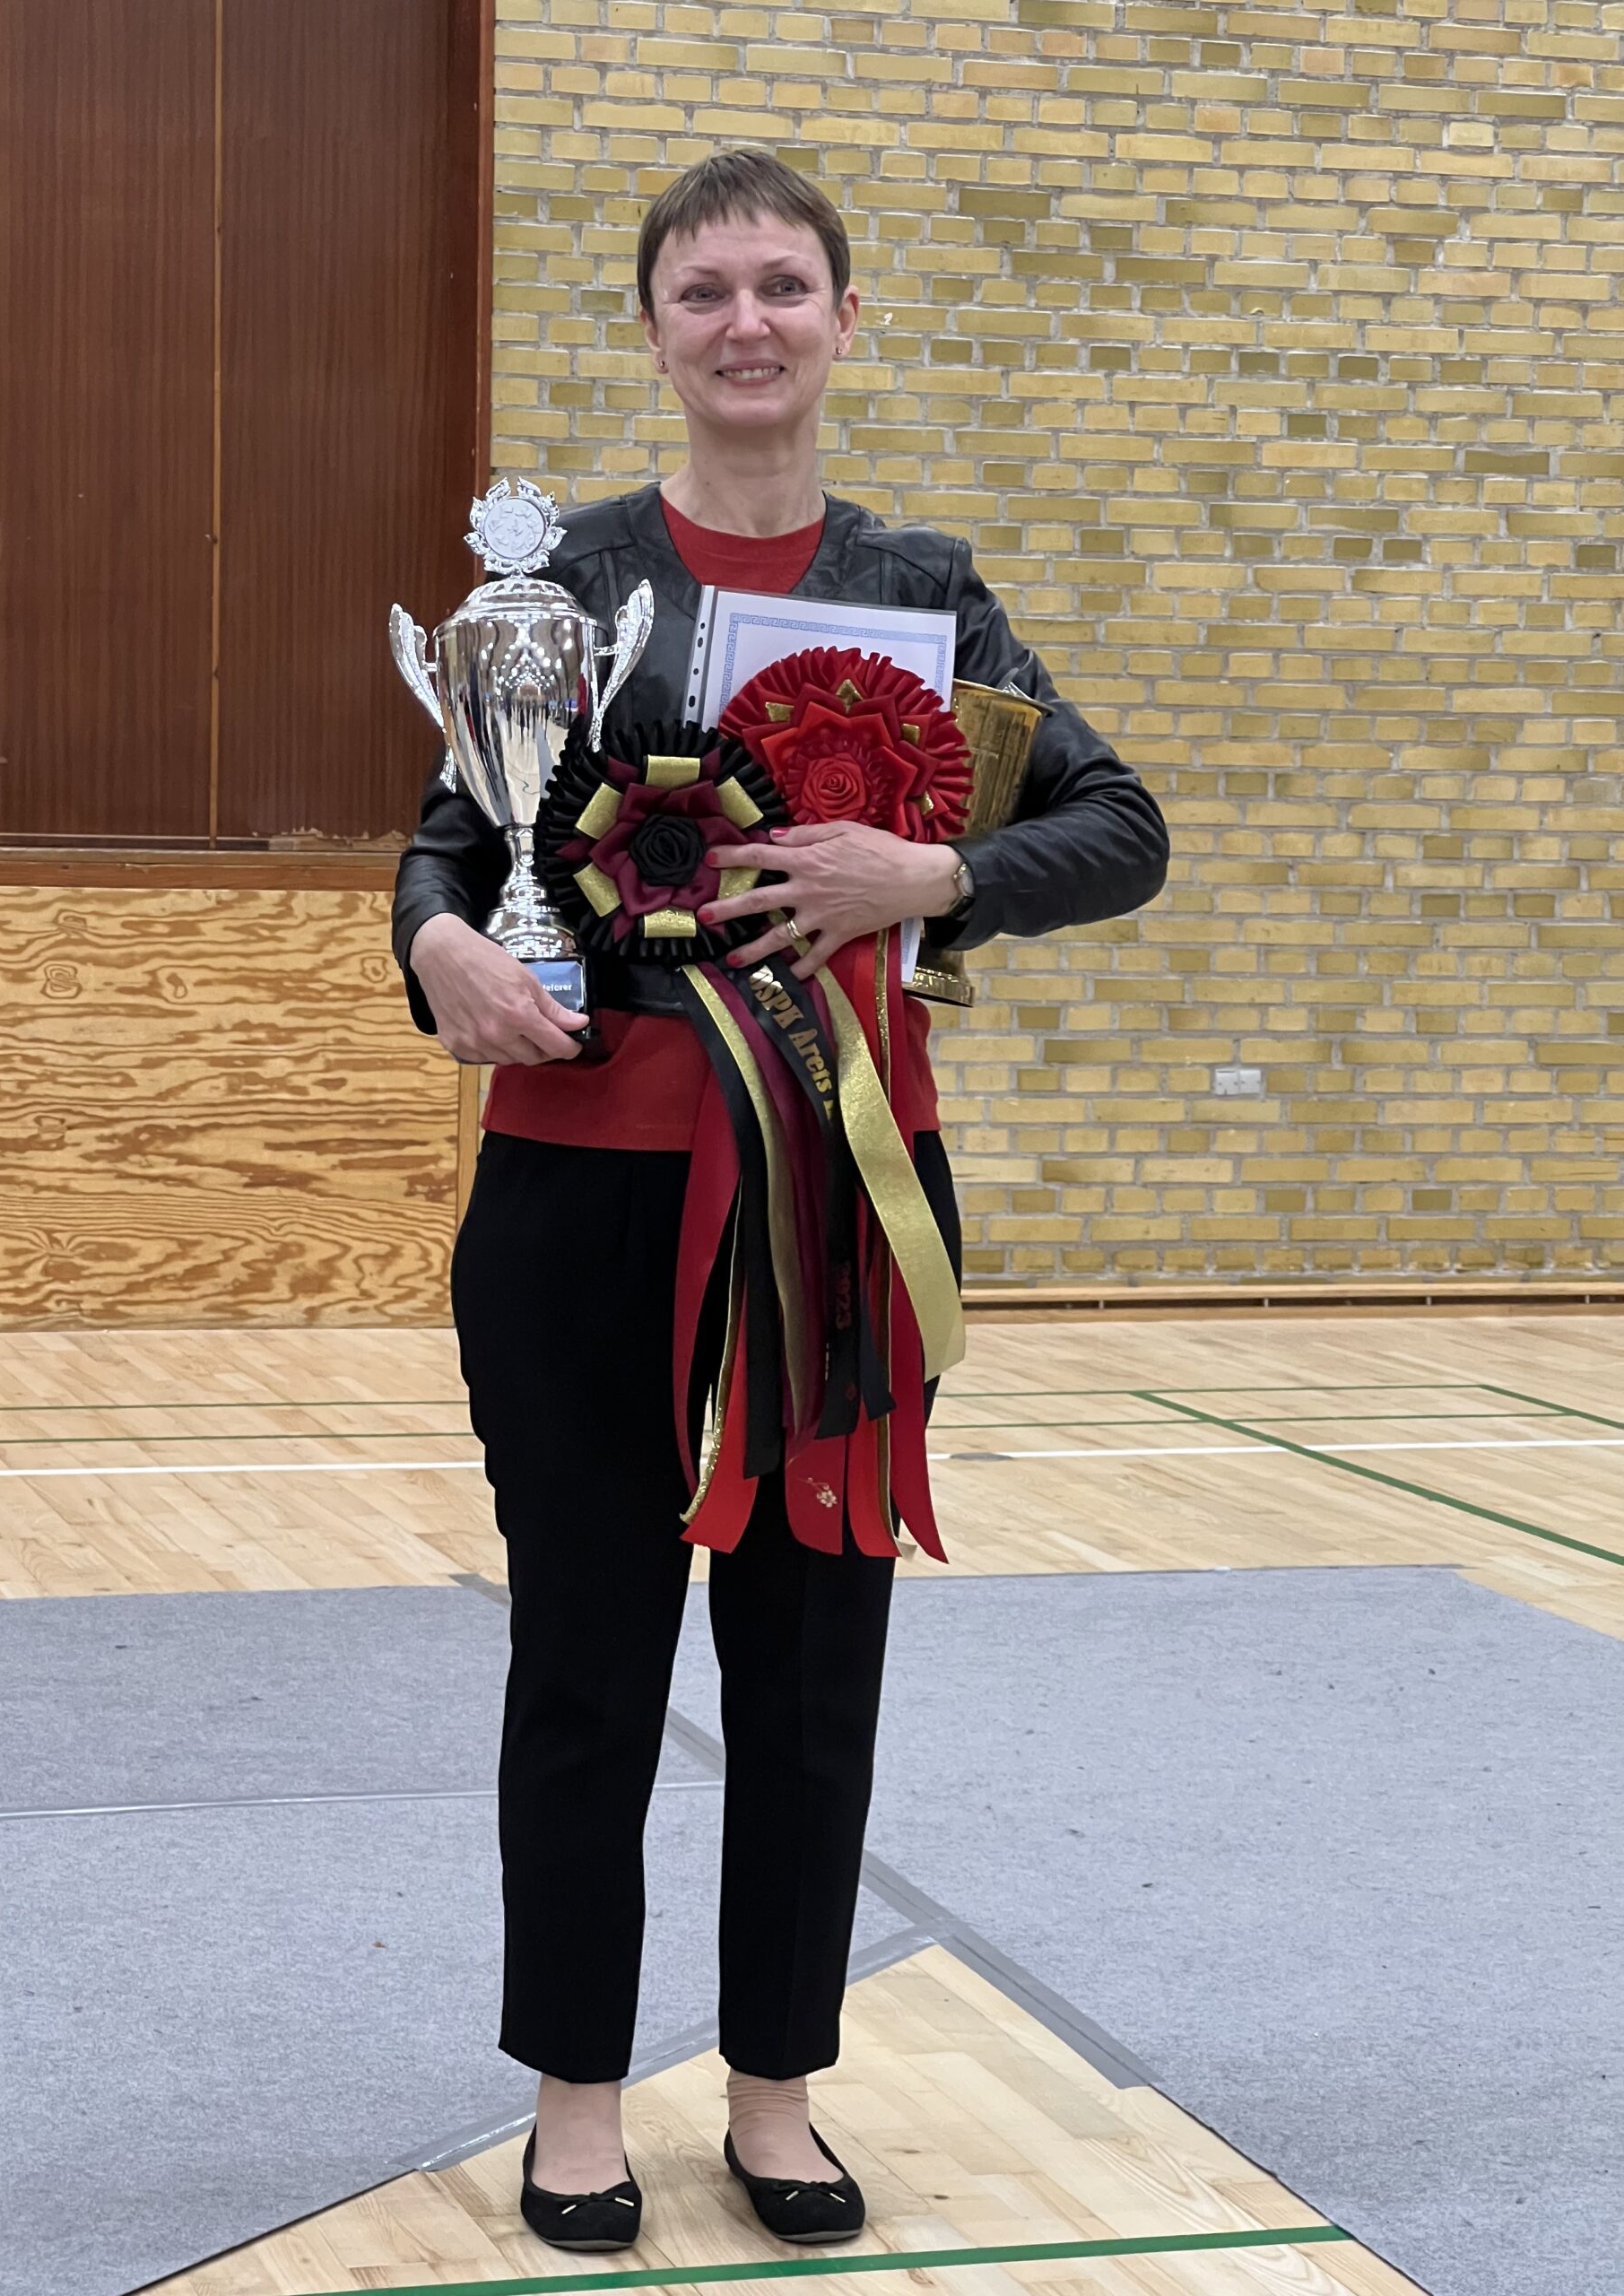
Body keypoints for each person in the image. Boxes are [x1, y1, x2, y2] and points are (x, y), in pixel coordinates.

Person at [391, 149, 1169, 2248]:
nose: (748, 322)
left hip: (838, 1215)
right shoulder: (559, 587)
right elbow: (448, 845)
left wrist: (939, 871)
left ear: (843, 318)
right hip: (577, 1212)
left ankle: (775, 2090)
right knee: (584, 1663)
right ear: (653, 328)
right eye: (706, 289)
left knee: (813, 1672)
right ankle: (574, 2097)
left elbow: (1123, 825)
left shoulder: (929, 595)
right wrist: (439, 945)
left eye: (784, 286)